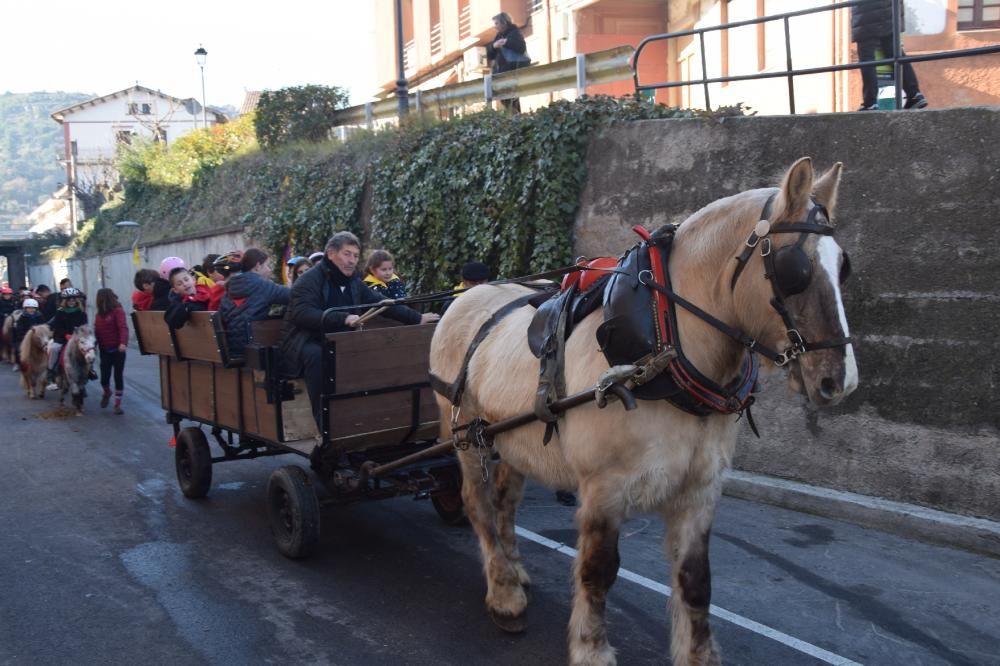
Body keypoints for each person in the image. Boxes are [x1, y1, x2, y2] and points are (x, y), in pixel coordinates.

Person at [280, 231, 440, 429]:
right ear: (331, 254)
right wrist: (343, 317)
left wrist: (417, 318)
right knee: (316, 356)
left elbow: (381, 303)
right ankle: (325, 426)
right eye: (347, 254)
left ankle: (375, 420)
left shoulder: (354, 282)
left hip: (342, 339)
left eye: (355, 256)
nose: (352, 260)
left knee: (371, 352)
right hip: (306, 340)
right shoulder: (309, 280)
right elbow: (302, 314)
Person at [852, 0, 928, 111]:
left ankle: (870, 102)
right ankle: (914, 94)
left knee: (867, 59)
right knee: (896, 55)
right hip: (890, 11)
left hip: (867, 15)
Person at [218, 248, 291, 358]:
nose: (269, 270)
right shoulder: (263, 287)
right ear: (257, 266)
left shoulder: (228, 291)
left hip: (233, 350)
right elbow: (294, 295)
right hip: (256, 352)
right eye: (267, 265)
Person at [485, 12, 530, 113]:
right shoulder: (499, 35)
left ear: (504, 23)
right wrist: (493, 46)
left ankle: (517, 118)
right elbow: (489, 54)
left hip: (512, 72)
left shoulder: (515, 32)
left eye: (496, 23)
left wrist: (507, 42)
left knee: (512, 98)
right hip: (501, 74)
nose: (495, 26)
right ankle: (515, 118)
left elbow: (521, 47)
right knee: (505, 99)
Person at [46, 287, 89, 390]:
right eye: (69, 299)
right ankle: (51, 371)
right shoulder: (60, 312)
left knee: (88, 350)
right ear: (64, 301)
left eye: (73, 299)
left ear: (77, 300)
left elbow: (84, 327)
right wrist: (65, 334)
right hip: (62, 338)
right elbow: (58, 326)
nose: (71, 301)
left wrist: (77, 335)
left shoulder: (82, 313)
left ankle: (89, 371)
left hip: (77, 338)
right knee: (54, 349)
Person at [93, 288, 128, 415]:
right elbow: (97, 332)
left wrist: (123, 343)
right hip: (105, 350)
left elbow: (123, 327)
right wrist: (93, 345)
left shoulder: (118, 311)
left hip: (118, 349)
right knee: (104, 377)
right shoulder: (98, 315)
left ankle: (117, 405)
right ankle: (107, 392)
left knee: (118, 376)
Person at [13, 297, 44, 369]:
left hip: (38, 337)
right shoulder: (22, 317)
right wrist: (26, 334)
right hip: (24, 337)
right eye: (29, 308)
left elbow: (43, 325)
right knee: (19, 349)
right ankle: (18, 363)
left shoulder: (40, 316)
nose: (31, 309)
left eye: (33, 308)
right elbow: (19, 329)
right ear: (25, 308)